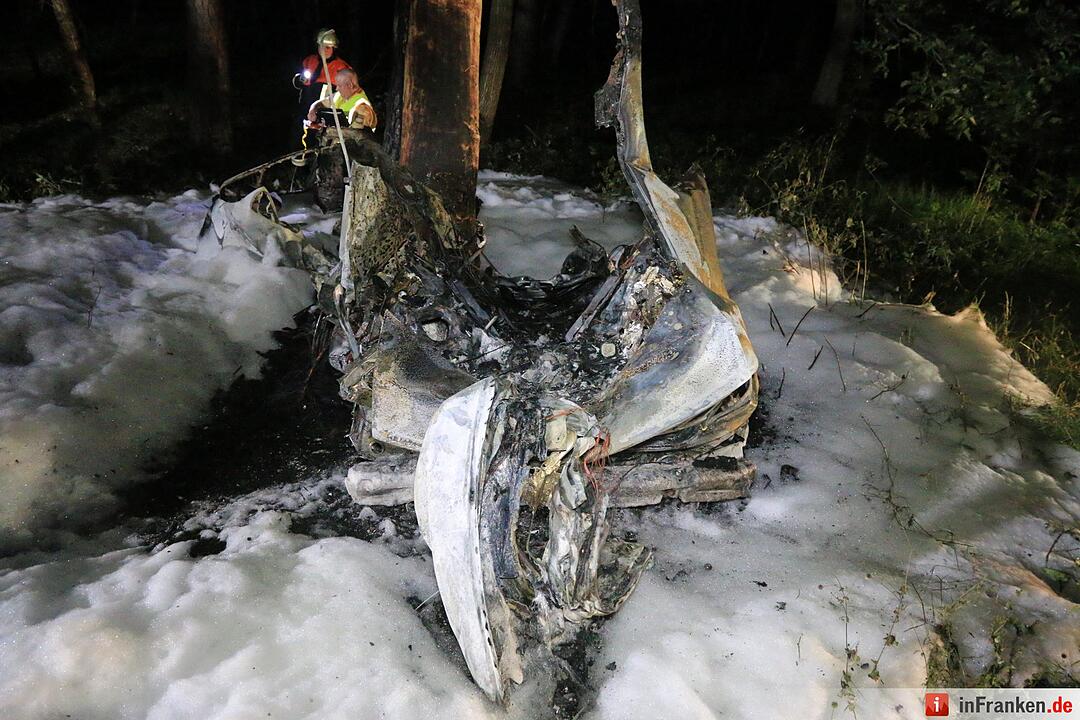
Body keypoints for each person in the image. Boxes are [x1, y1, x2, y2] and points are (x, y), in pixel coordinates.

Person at [295, 29, 351, 111]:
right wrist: (299, 80)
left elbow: (349, 92)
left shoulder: (342, 67)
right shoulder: (309, 60)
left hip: (326, 111)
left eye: (327, 47)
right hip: (305, 108)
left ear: (333, 48)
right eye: (321, 46)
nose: (324, 50)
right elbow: (298, 81)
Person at [306, 68, 377, 131]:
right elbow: (321, 103)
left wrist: (325, 128)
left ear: (350, 85)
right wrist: (313, 110)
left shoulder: (362, 107)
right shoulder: (340, 95)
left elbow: (357, 136)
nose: (337, 88)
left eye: (339, 85)